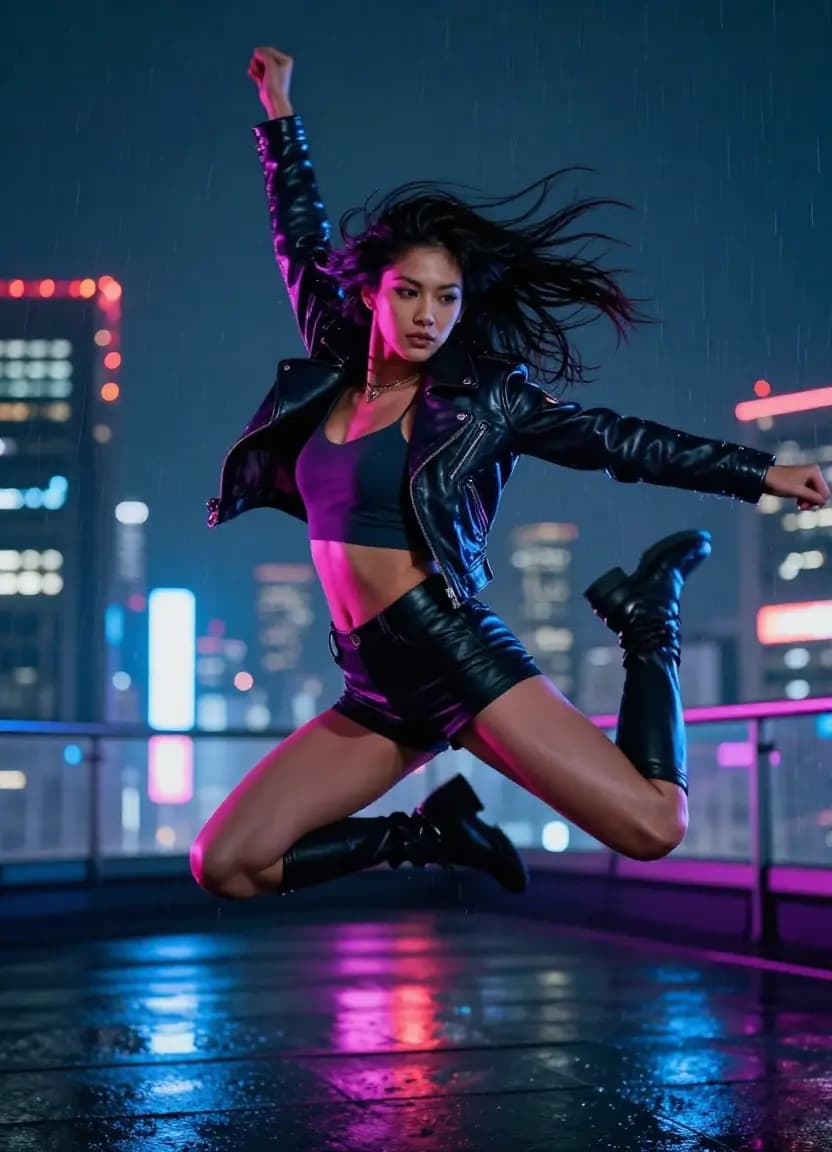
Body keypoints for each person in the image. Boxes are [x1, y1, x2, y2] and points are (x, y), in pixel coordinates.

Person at [190, 46, 831, 902]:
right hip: (372, 677)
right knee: (226, 864)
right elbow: (297, 235)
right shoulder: (333, 363)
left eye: (447, 298)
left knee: (653, 825)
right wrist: (278, 116)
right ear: (372, 295)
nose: (428, 316)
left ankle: (649, 621)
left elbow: (615, 439)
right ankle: (432, 833)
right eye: (410, 293)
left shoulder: (484, 399)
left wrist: (761, 473)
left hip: (449, 647)